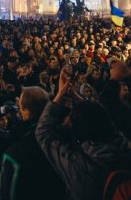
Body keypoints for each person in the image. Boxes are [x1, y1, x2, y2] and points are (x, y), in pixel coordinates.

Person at [35, 67, 131, 200]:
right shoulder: (121, 142)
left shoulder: (77, 163)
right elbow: (101, 115)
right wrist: (74, 95)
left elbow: (43, 132)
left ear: (77, 129)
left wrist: (61, 93)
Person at [0, 86, 66, 200]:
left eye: (20, 108)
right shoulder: (63, 134)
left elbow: (8, 194)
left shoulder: (16, 152)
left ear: (27, 113)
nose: (19, 111)